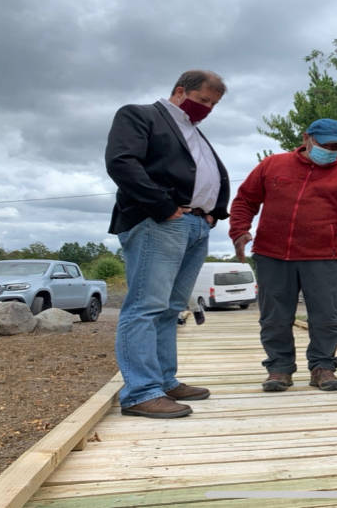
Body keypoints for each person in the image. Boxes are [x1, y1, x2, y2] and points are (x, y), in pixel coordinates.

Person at [105, 70, 230, 419]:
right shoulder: (140, 115)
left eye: (213, 104)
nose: (207, 108)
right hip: (159, 221)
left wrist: (213, 214)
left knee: (171, 307)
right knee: (146, 305)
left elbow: (204, 173)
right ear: (180, 91)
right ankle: (140, 392)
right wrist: (163, 207)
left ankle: (163, 381)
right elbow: (122, 162)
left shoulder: (193, 130)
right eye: (203, 100)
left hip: (195, 224)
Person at [229, 118, 337, 392]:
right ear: (307, 138)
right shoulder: (272, 165)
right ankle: (279, 369)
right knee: (274, 316)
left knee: (326, 315)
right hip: (272, 253)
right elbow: (245, 199)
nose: (331, 151)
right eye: (325, 145)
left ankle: (323, 367)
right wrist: (239, 230)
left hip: (323, 256)